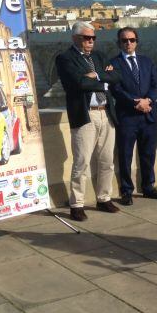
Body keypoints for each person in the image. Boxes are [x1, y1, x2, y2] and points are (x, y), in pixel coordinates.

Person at [56, 22, 121, 221]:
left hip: (106, 113)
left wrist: (96, 76)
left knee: (107, 160)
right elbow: (77, 83)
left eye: (93, 38)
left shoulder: (99, 56)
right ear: (75, 38)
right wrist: (103, 80)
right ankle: (77, 204)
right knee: (82, 162)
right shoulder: (65, 58)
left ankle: (104, 198)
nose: (91, 41)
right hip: (86, 115)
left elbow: (116, 76)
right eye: (87, 37)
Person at [110, 27, 157, 205]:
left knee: (148, 154)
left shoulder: (146, 61)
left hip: (148, 115)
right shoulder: (114, 64)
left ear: (136, 42)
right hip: (127, 117)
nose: (128, 43)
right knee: (125, 155)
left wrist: (148, 100)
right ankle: (127, 191)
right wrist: (136, 102)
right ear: (119, 43)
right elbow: (116, 89)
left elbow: (156, 85)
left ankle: (148, 187)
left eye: (132, 40)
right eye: (124, 40)